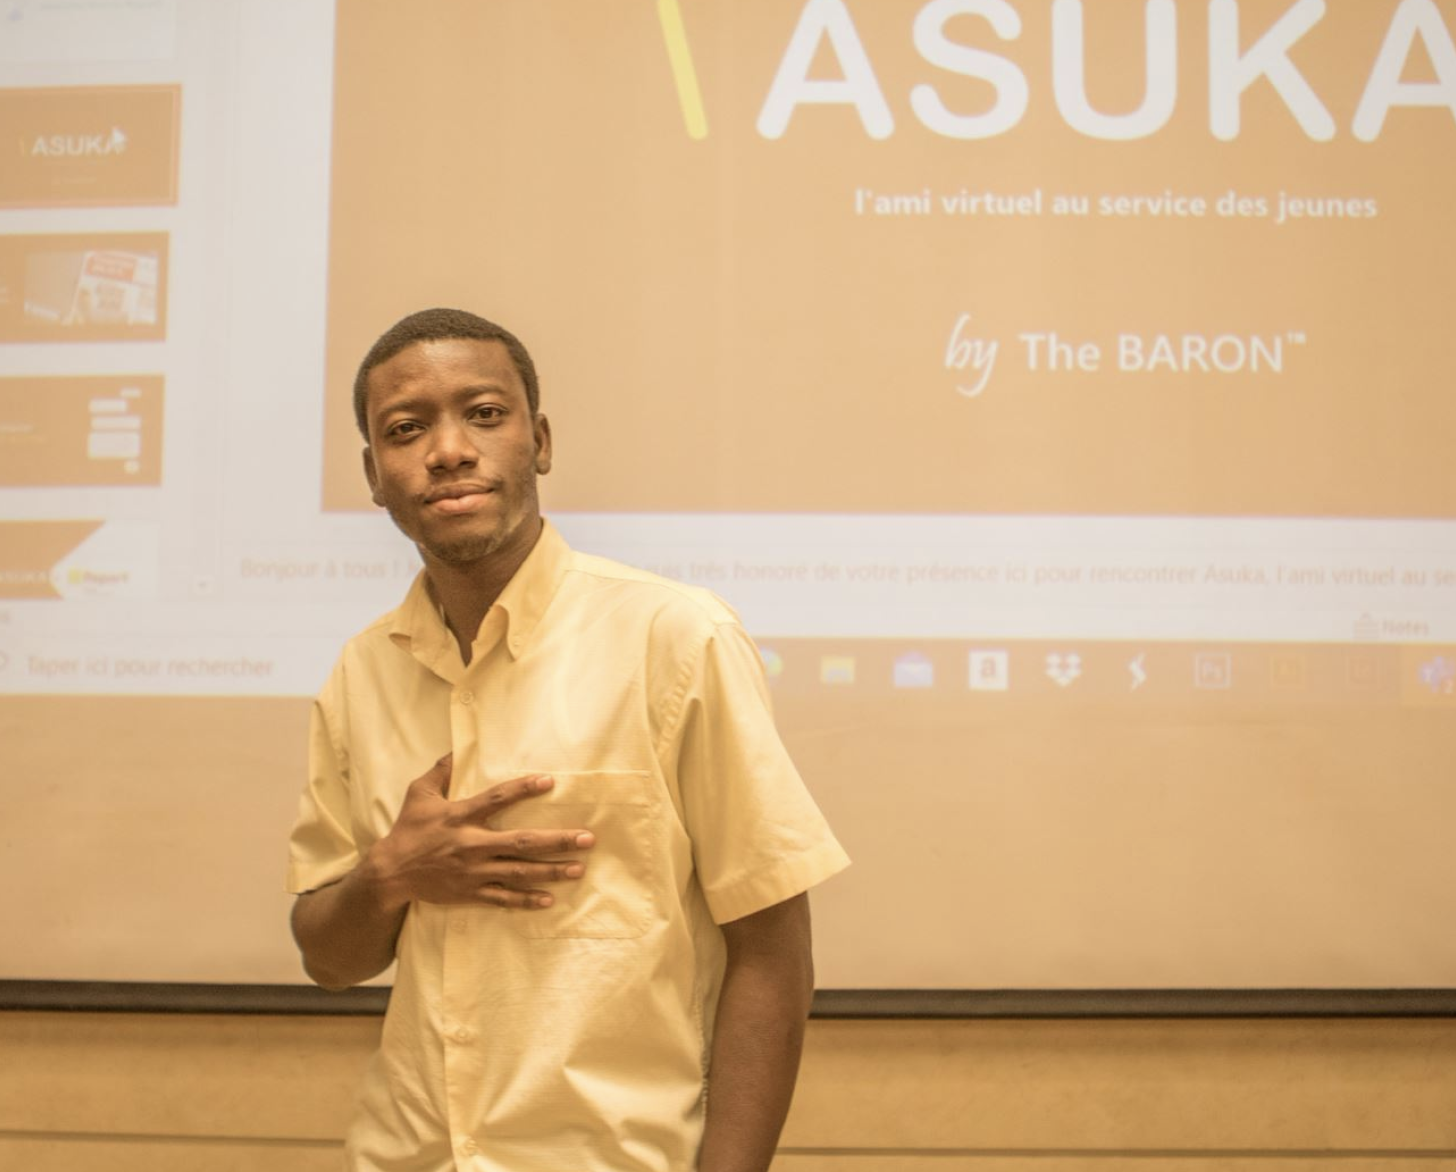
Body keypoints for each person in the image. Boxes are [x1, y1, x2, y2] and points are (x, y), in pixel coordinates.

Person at [287, 307, 849, 1171]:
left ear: (538, 440)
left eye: (483, 414)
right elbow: (329, 957)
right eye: (407, 429)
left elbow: (772, 954)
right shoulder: (361, 673)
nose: (448, 450)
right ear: (374, 474)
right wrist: (390, 873)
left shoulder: (676, 638)